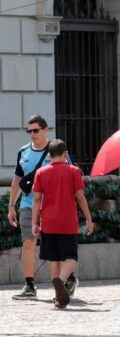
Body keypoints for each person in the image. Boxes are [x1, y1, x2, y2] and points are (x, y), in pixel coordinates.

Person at [8, 115, 78, 300]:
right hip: (28, 204)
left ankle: (68, 278)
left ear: (45, 130)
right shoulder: (23, 151)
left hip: (53, 208)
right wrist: (11, 205)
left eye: (36, 130)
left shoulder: (57, 150)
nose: (32, 134)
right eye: (29, 131)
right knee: (28, 243)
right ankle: (29, 285)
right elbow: (17, 179)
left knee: (56, 247)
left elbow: (70, 177)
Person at [30, 139, 93, 308]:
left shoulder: (41, 173)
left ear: (49, 155)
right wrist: (88, 218)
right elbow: (80, 197)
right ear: (66, 154)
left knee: (54, 259)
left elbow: (36, 200)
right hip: (67, 222)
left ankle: (58, 297)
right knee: (71, 258)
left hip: (48, 222)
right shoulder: (73, 171)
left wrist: (34, 223)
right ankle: (61, 281)